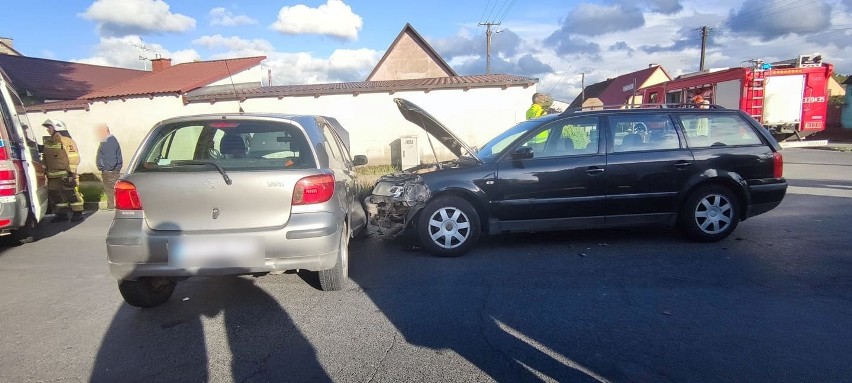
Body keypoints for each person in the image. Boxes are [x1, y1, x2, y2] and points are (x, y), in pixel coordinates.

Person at [42, 119, 84, 222]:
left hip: (66, 174)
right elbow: (45, 158)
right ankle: (61, 214)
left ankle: (77, 213)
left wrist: (72, 174)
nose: (47, 130)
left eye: (49, 127)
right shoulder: (48, 142)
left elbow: (74, 158)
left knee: (71, 194)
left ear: (57, 128)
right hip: (52, 176)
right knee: (56, 195)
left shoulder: (67, 141)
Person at [96, 123, 122, 210]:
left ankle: (115, 207)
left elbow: (111, 158)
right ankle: (111, 206)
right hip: (109, 170)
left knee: (112, 189)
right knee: (110, 190)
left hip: (110, 171)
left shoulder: (109, 141)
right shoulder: (107, 140)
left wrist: (109, 169)